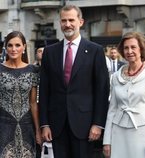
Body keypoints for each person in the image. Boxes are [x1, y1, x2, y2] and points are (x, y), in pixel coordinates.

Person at [39, 5, 110, 158]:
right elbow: (44, 90)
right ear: (60, 23)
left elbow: (102, 90)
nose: (67, 24)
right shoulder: (49, 52)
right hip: (57, 125)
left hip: (85, 126)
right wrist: (44, 124)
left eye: (71, 20)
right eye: (64, 20)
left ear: (81, 22)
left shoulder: (95, 50)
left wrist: (98, 124)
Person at [103, 31, 145, 158]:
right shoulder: (116, 76)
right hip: (119, 133)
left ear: (141, 49)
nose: (129, 51)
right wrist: (107, 141)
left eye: (133, 47)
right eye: (126, 48)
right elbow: (112, 110)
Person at [0, 31, 42, 157]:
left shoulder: (33, 70)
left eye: (17, 45)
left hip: (27, 126)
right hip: (3, 125)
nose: (14, 49)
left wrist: (38, 130)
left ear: (24, 47)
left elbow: (33, 103)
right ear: (6, 48)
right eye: (10, 45)